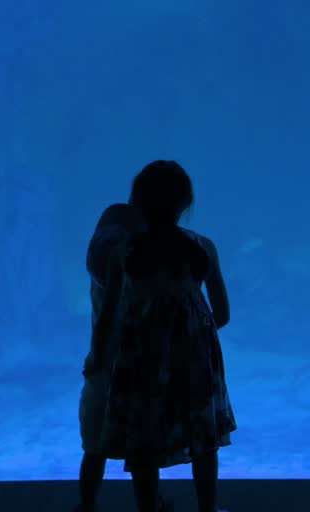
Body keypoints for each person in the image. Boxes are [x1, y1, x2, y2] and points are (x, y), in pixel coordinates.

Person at [87, 160, 235, 512]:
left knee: (144, 437)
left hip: (141, 359)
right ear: (186, 202)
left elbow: (107, 318)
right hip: (195, 361)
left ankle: (148, 509)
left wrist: (98, 358)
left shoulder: (125, 252)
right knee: (204, 437)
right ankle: (208, 509)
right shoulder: (203, 247)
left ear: (136, 203)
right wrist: (195, 334)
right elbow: (224, 314)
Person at [77, 202, 151, 512]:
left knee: (94, 448)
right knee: (144, 452)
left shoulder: (98, 276)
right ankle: (149, 507)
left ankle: (86, 505)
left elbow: (105, 319)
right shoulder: (142, 279)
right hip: (139, 368)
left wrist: (95, 355)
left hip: (102, 367)